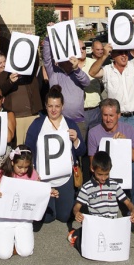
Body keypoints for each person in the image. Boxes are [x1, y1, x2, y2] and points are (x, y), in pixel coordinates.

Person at [25, 84, 85, 224]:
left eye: (57, 106)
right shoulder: (38, 124)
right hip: (44, 179)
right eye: (50, 106)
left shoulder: (70, 124)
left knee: (65, 217)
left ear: (62, 106)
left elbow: (82, 151)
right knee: (47, 218)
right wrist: (33, 171)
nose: (53, 110)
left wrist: (76, 140)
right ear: (46, 106)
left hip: (65, 178)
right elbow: (28, 149)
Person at [87, 98, 134, 232]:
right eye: (105, 115)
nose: (108, 119)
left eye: (111, 115)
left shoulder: (129, 130)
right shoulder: (93, 133)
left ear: (119, 115)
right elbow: (92, 164)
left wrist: (126, 145)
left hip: (124, 176)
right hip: (104, 176)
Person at [89, 15, 134, 141]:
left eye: (125, 52)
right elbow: (92, 72)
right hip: (117, 119)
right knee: (119, 152)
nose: (124, 55)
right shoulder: (107, 70)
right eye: (120, 52)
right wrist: (104, 56)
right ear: (113, 55)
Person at [0, 145, 54, 259]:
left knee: (26, 252)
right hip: (5, 218)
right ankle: (10, 242)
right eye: (20, 167)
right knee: (3, 255)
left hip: (24, 218)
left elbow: (40, 190)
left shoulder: (32, 173)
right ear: (13, 162)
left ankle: (14, 242)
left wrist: (49, 192)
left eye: (26, 167)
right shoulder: (3, 173)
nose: (23, 170)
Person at [68, 151, 134, 252]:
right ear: (92, 169)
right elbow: (76, 207)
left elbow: (128, 202)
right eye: (100, 174)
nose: (103, 178)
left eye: (106, 174)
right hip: (97, 225)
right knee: (87, 248)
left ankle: (82, 233)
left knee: (117, 246)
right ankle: (76, 235)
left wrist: (133, 211)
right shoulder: (86, 187)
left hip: (112, 224)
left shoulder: (114, 185)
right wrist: (77, 213)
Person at [42, 26, 91, 142]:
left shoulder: (78, 73)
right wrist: (49, 36)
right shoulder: (54, 72)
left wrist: (77, 69)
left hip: (78, 121)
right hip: (58, 121)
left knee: (78, 151)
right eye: (65, 58)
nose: (68, 60)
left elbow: (87, 82)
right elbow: (47, 58)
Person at [0, 50, 43, 145]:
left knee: (33, 147)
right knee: (18, 150)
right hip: (15, 118)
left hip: (32, 116)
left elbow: (35, 60)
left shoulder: (30, 71)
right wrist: (10, 81)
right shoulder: (5, 73)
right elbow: (0, 90)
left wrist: (31, 42)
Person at [79, 40, 104, 134]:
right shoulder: (68, 66)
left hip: (95, 111)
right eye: (79, 48)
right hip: (79, 113)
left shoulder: (94, 63)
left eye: (84, 48)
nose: (82, 50)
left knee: (95, 143)